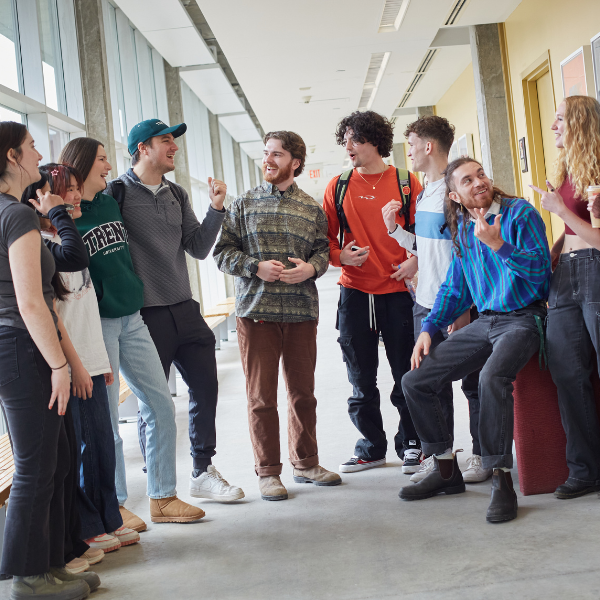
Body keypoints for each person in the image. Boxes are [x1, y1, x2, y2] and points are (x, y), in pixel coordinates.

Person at [60, 137, 205, 527]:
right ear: (82, 164)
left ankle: (162, 497)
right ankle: (115, 505)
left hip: (133, 316)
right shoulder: (66, 214)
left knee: (160, 405)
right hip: (99, 323)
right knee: (106, 421)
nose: (109, 166)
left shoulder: (111, 200)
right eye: (103, 159)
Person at [399, 157, 551, 524]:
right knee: (415, 380)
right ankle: (446, 468)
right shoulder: (465, 230)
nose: (479, 182)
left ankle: (501, 479)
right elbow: (455, 288)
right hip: (487, 322)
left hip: (524, 317)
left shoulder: (519, 214)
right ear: (455, 194)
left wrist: (500, 246)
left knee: (489, 379)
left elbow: (540, 276)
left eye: (481, 174)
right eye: (468, 180)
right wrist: (428, 329)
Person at [105, 118, 243, 502]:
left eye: (175, 141)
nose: (175, 147)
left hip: (184, 308)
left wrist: (216, 208)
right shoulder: (115, 193)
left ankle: (202, 470)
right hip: (144, 316)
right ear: (142, 149)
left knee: (206, 389)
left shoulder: (177, 194)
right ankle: (159, 482)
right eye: (166, 140)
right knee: (154, 404)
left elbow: (198, 248)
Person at [214, 130, 341, 500]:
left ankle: (306, 463)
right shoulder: (242, 204)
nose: (268, 160)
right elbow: (222, 253)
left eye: (277, 155)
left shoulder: (311, 209)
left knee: (303, 393)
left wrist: (312, 270)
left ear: (295, 163)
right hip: (256, 314)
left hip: (302, 311)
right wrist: (254, 267)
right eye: (266, 153)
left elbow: (322, 252)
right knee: (261, 397)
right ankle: (268, 472)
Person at [24, 164, 139, 558]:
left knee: (102, 445)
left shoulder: (60, 235)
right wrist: (74, 364)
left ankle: (108, 519)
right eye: (65, 191)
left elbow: (86, 308)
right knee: (82, 451)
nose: (75, 198)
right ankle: (87, 527)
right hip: (70, 364)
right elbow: (58, 307)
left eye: (75, 190)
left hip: (91, 358)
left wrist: (101, 359)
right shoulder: (40, 244)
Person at [0, 122, 92, 600]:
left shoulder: (11, 212)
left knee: (54, 460)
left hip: (21, 345)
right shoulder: (13, 215)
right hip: (22, 346)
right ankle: (26, 579)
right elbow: (29, 301)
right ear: (13, 156)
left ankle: (49, 564)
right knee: (38, 465)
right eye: (32, 146)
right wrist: (59, 364)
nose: (40, 154)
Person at [382, 116, 490, 484]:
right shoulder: (426, 191)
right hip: (425, 304)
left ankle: (481, 454)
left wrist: (463, 308)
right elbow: (429, 247)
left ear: (428, 146)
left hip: (459, 305)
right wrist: (397, 232)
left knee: (475, 383)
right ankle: (440, 456)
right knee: (429, 382)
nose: (407, 151)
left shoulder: (455, 190)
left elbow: (470, 253)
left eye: (410, 144)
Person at [322, 110, 422, 474]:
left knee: (406, 373)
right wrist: (340, 256)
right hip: (354, 292)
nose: (348, 147)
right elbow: (326, 243)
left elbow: (427, 235)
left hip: (398, 291)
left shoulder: (407, 182)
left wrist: (414, 260)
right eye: (344, 140)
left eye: (355, 139)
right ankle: (371, 447)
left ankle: (412, 443)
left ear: (375, 140)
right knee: (360, 378)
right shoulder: (339, 185)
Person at [530, 95, 600, 499]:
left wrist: (559, 210)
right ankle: (585, 470)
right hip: (566, 275)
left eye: (560, 119)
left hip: (594, 270)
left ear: (580, 123)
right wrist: (557, 248)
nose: (554, 126)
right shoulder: (571, 169)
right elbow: (576, 233)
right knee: (567, 373)